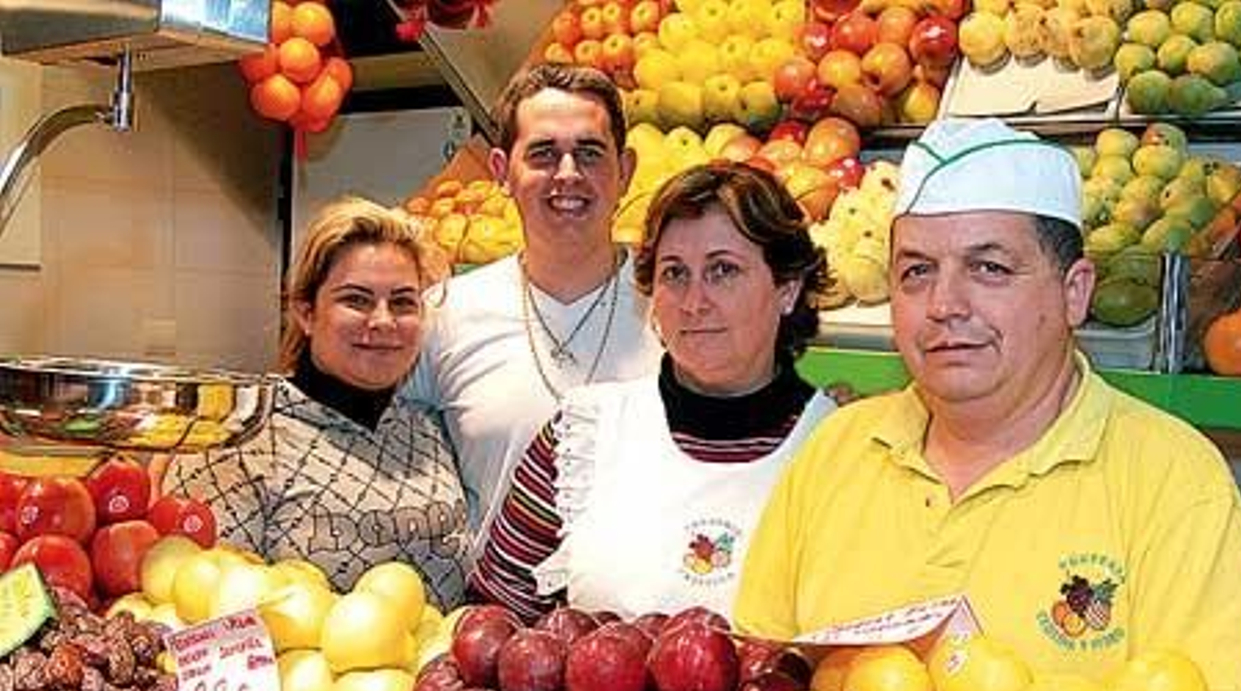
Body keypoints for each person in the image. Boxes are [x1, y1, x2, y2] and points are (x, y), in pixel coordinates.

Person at [734, 119, 1241, 691]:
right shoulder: (835, 450)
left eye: (989, 268)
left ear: (1075, 292)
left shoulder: (1175, 482)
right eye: (916, 271)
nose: (945, 305)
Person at [470, 163, 834, 621]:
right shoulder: (582, 435)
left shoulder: (838, 448)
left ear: (787, 288)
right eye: (674, 273)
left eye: (723, 270)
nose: (694, 301)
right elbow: (493, 616)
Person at [165, 197, 469, 604]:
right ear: (306, 312)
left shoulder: (427, 430)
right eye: (356, 300)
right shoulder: (237, 441)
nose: (382, 321)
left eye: (402, 302)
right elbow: (203, 619)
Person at [403, 64, 663, 540]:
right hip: (493, 609)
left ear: (624, 171)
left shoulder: (678, 310)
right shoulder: (442, 314)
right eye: (544, 154)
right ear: (502, 172)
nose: (568, 174)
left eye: (589, 153)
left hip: (650, 611)